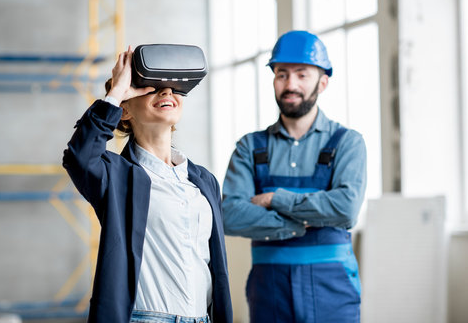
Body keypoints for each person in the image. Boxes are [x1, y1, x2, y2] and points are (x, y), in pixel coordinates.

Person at [63, 47, 232, 323]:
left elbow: (214, 268)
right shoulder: (116, 176)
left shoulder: (204, 181)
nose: (166, 92)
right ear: (125, 111)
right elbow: (78, 156)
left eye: (173, 88)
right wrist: (116, 92)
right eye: (150, 87)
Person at [222, 30, 367, 323]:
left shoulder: (348, 142)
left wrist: (276, 199)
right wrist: (302, 221)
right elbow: (229, 215)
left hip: (332, 287)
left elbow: (346, 208)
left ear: (322, 82)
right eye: (282, 74)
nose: (291, 84)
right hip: (269, 288)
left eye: (302, 75)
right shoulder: (250, 147)